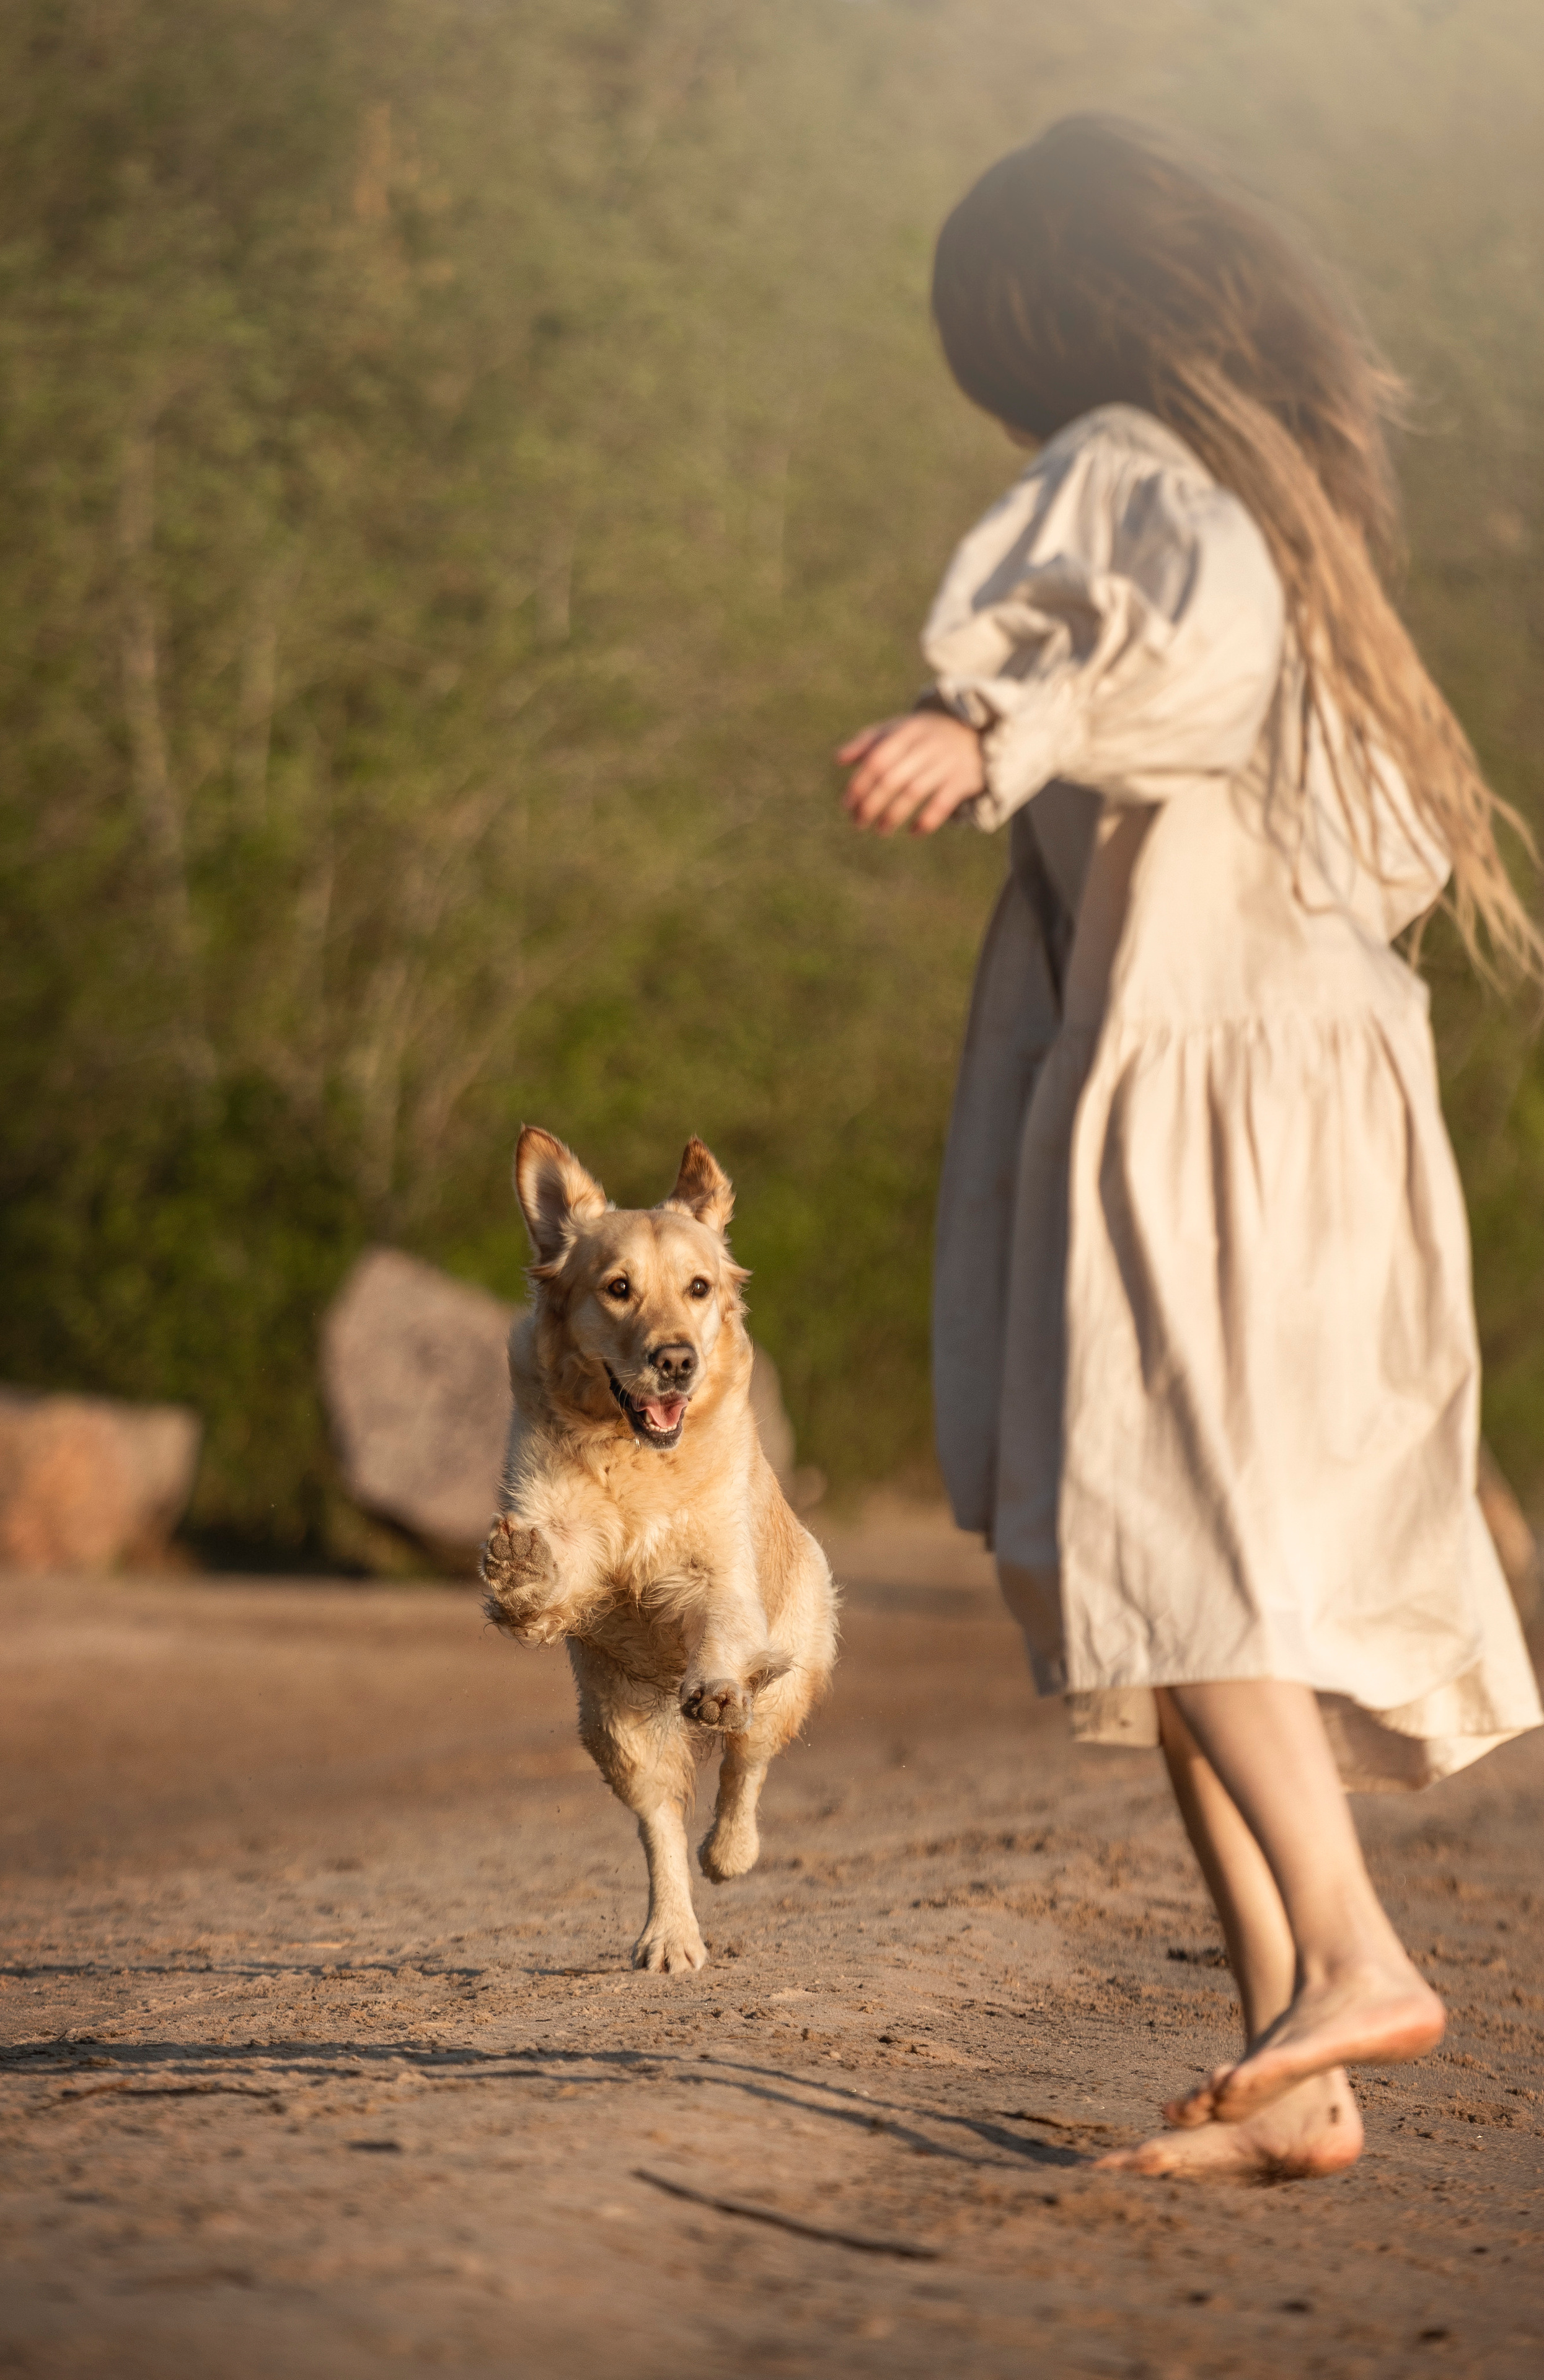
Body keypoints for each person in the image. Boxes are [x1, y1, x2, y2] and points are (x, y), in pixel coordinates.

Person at [838, 115, 1543, 2179]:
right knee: (1165, 1566)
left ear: (1033, 322)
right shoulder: (1283, 501)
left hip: (1206, 1077)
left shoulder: (1132, 477)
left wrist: (999, 730)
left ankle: (1349, 1949)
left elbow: (1173, 662)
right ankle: (1296, 2070)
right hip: (1308, 1074)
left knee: (1168, 1525)